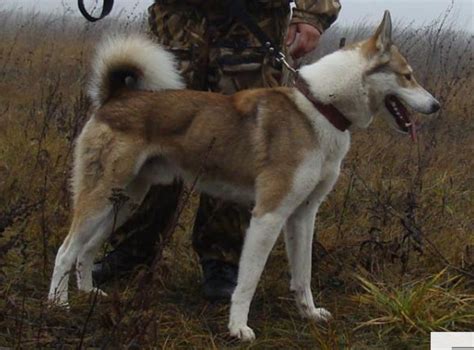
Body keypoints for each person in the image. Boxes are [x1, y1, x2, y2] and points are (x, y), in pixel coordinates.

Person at [92, 0, 341, 300]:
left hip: (252, 24)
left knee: (242, 148)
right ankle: (131, 251)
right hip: (177, 21)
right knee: (154, 136)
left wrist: (312, 13)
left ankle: (223, 261)